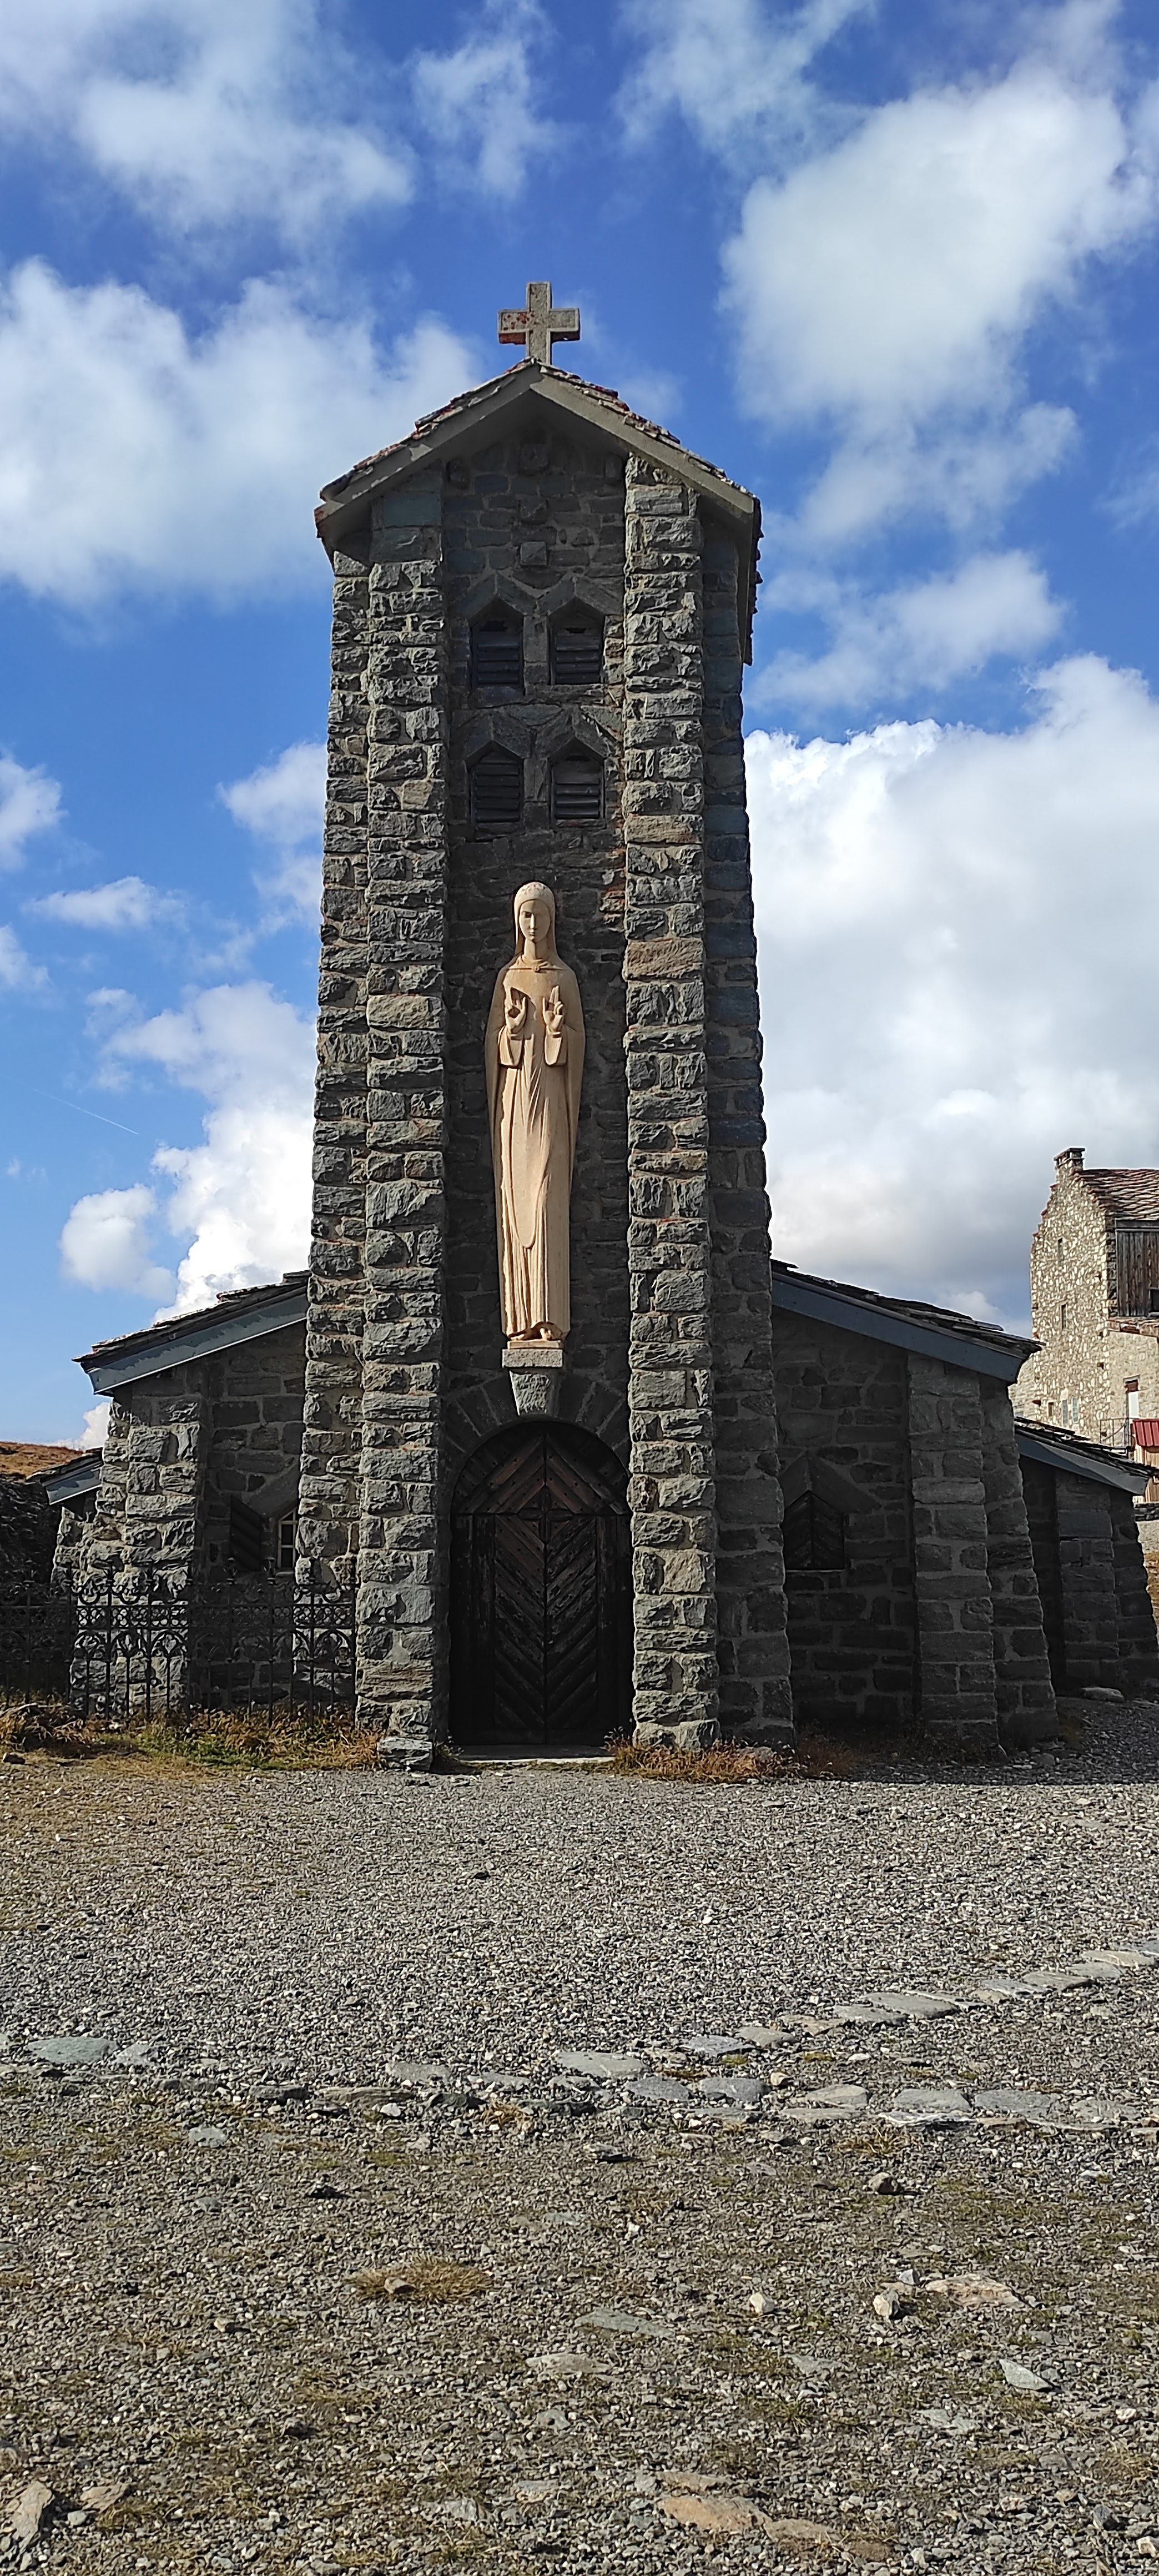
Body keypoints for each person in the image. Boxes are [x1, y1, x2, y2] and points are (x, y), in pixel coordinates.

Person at [483, 881, 585, 1344]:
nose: (532, 924)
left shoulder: (564, 978)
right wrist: (513, 1031)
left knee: (546, 1201)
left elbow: (575, 1048)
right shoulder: (508, 978)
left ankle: (550, 1315)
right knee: (516, 1202)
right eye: (525, 915)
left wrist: (558, 1033)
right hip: (513, 1106)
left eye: (539, 915)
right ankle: (520, 1318)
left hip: (549, 1102)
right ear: (516, 920)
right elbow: (494, 1050)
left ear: (551, 920)